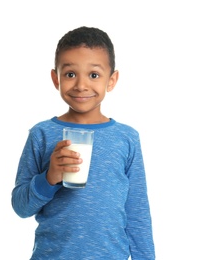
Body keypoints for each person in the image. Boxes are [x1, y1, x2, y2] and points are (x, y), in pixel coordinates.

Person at [11, 26, 155, 260]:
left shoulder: (126, 138)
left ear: (112, 79)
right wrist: (49, 177)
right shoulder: (42, 134)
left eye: (94, 75)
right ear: (55, 79)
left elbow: (137, 212)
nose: (81, 85)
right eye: (70, 74)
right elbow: (21, 206)